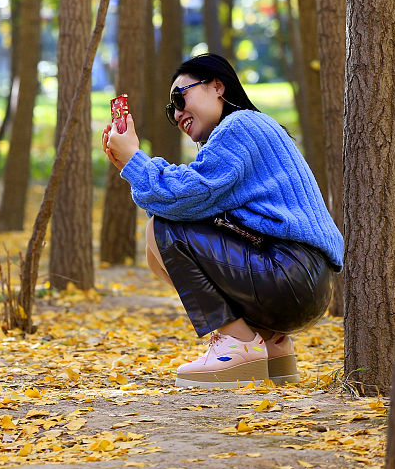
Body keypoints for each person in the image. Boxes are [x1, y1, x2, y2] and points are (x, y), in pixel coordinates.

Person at [102, 53, 342, 388]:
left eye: (180, 98)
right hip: (305, 283)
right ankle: (271, 343)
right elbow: (181, 205)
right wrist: (130, 166)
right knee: (158, 243)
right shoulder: (248, 132)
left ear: (217, 86)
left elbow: (183, 199)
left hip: (290, 274)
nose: (177, 112)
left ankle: (239, 343)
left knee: (162, 230)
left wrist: (134, 160)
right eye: (171, 109)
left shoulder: (240, 125)